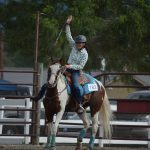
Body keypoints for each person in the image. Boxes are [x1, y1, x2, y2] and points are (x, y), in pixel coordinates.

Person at [64, 15, 88, 112]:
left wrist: (69, 66)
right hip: (67, 67)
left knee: (76, 86)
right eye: (77, 42)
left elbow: (80, 66)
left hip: (75, 71)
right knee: (53, 78)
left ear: (84, 44)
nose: (78, 44)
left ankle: (79, 104)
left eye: (80, 43)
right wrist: (67, 24)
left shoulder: (85, 54)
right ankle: (41, 96)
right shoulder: (73, 46)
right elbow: (68, 35)